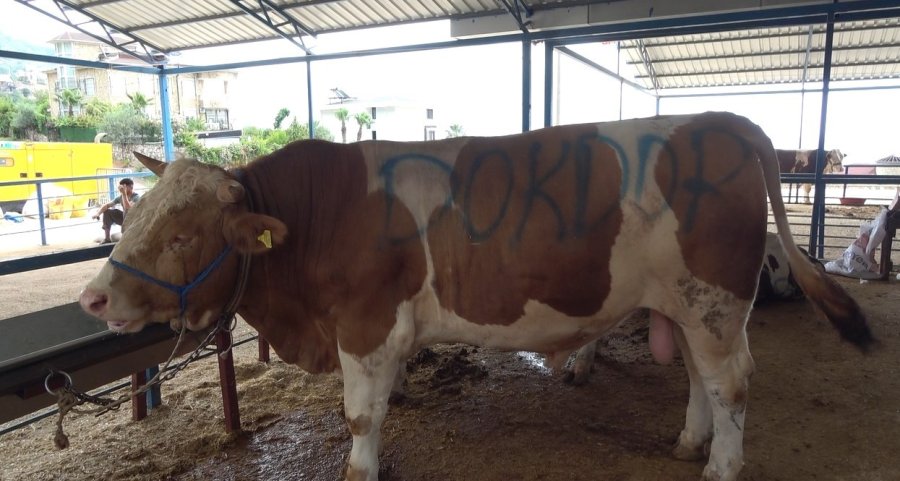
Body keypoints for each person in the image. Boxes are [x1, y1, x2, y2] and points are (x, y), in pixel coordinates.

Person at [92, 178, 140, 244]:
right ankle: (107, 238)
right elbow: (107, 205)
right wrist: (98, 213)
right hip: (125, 219)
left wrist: (124, 194)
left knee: (126, 212)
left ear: (131, 186)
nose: (121, 189)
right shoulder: (120, 197)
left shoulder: (136, 197)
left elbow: (128, 207)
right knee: (107, 212)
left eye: (124, 187)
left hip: (134, 221)